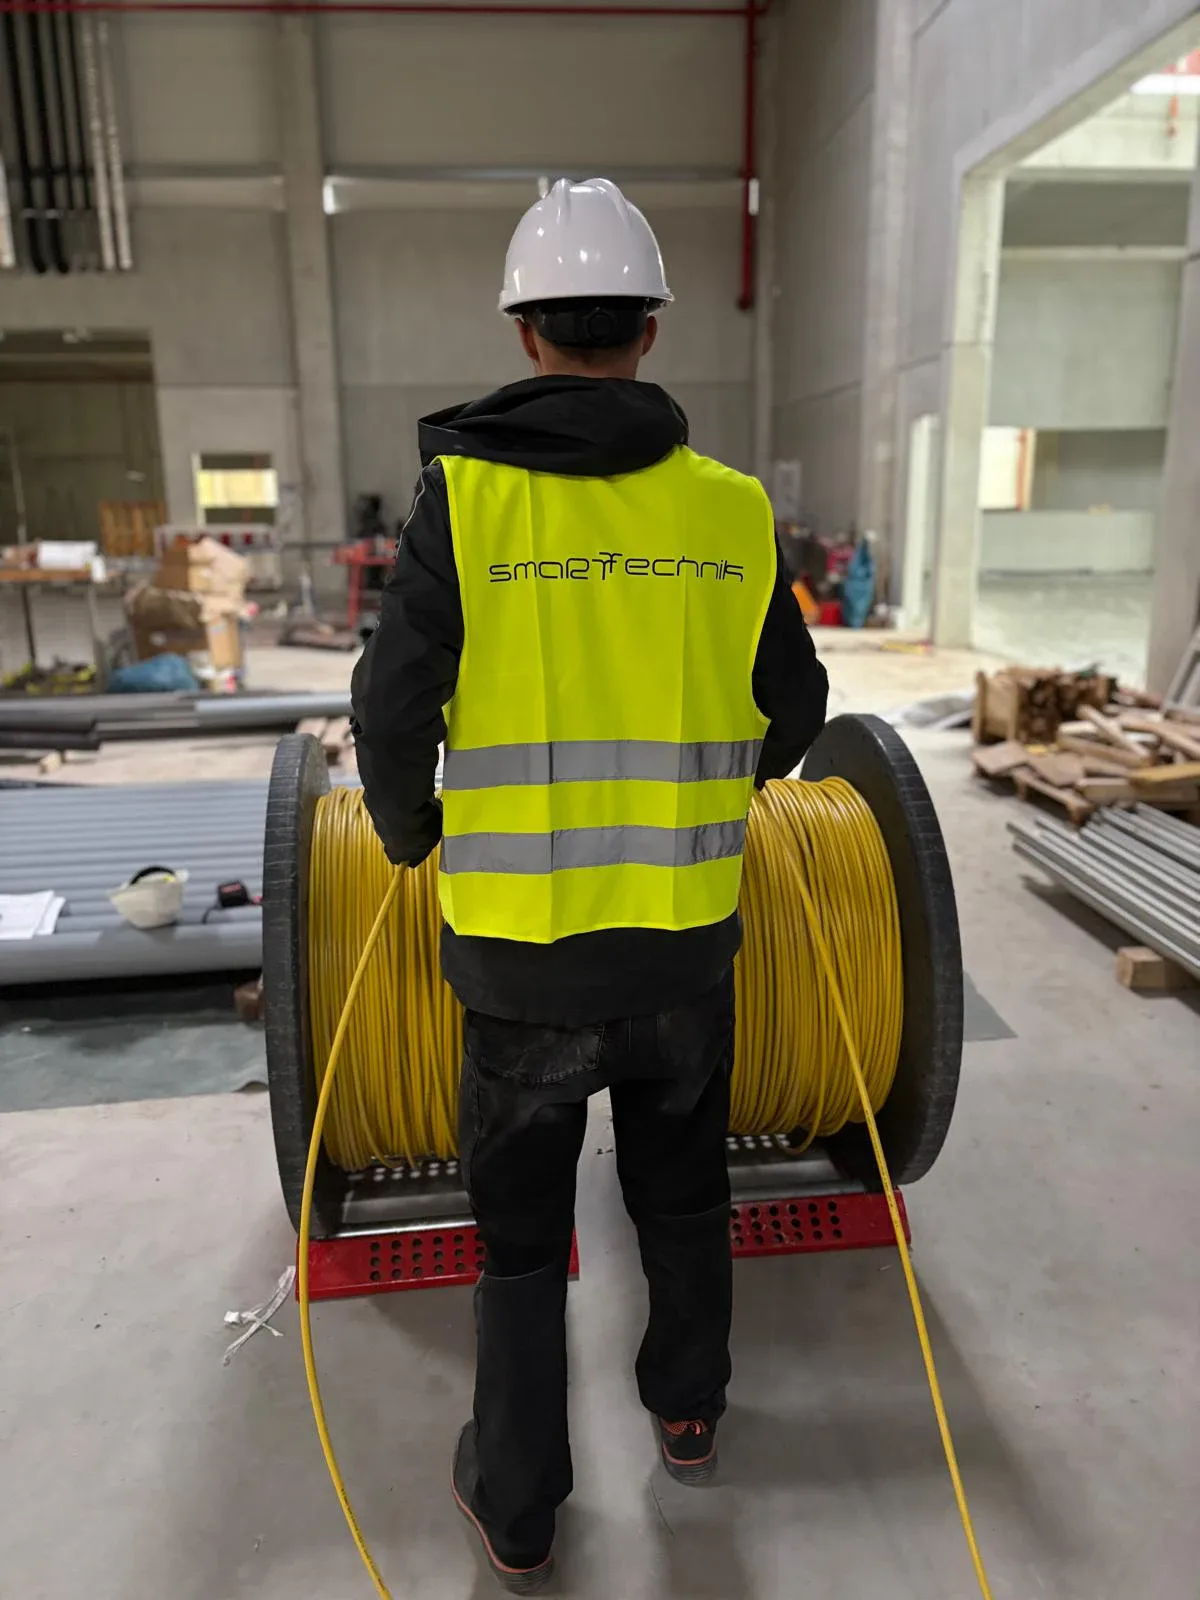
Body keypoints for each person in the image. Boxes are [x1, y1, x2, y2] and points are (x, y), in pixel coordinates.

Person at [351, 176, 828, 1593]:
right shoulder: (730, 508)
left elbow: (391, 707)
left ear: (526, 331)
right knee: (681, 1193)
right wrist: (714, 787)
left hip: (520, 960)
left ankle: (518, 1506)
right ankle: (689, 1412)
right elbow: (794, 708)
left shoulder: (465, 499)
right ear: (650, 330)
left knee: (519, 1237)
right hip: (680, 947)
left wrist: (407, 832)